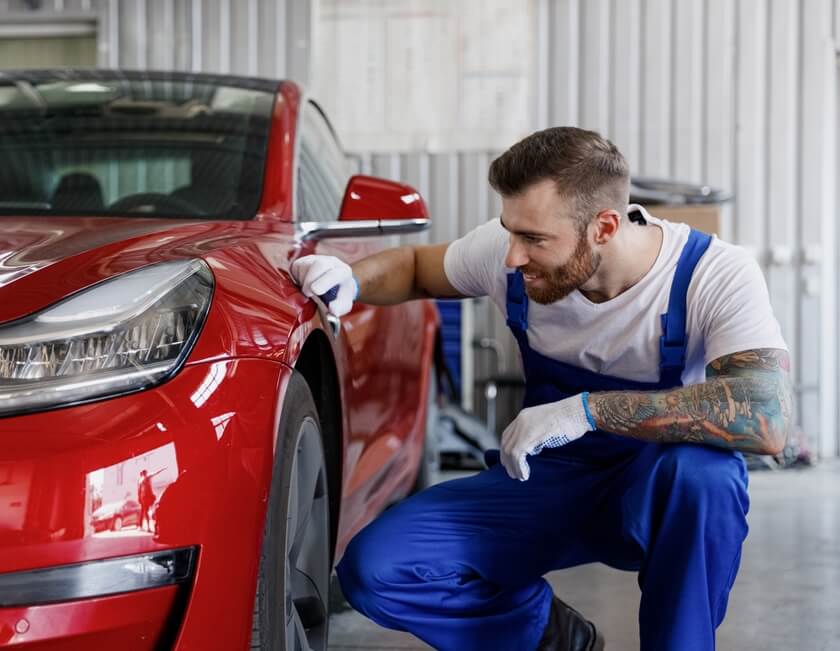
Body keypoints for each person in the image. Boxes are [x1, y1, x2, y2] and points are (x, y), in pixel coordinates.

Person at [289, 127, 791, 651]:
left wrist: (588, 412)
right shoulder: (510, 256)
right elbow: (417, 268)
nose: (512, 256)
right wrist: (351, 278)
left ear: (604, 227)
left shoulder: (711, 274)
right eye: (510, 232)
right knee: (376, 570)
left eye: (533, 240)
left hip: (653, 487)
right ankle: (550, 636)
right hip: (542, 478)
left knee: (706, 477)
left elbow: (765, 416)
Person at [137, 469, 156, 533]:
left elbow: (139, 490)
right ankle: (148, 527)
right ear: (145, 473)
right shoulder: (145, 478)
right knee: (147, 511)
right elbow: (154, 473)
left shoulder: (140, 480)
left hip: (143, 497)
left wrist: (139, 498)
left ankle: (140, 526)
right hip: (146, 497)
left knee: (143, 511)